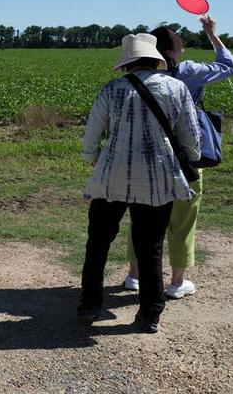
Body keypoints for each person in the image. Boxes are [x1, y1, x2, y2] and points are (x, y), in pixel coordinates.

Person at [78, 33, 200, 333]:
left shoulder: (112, 89)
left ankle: (90, 304)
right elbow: (191, 137)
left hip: (111, 176)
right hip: (157, 177)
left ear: (128, 62)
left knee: (98, 241)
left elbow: (92, 133)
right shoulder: (177, 88)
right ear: (155, 58)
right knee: (151, 246)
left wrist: (91, 157)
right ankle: (150, 313)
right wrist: (192, 158)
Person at [124, 18, 233, 299]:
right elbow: (229, 66)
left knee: (142, 217)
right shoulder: (188, 72)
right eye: (178, 38)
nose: (183, 40)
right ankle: (177, 282)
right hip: (186, 155)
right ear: (169, 48)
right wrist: (212, 35)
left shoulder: (138, 75)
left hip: (148, 154)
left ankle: (134, 275)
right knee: (184, 218)